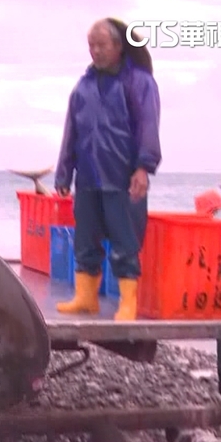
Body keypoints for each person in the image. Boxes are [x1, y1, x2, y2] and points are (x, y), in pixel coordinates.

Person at [53, 18, 162, 321]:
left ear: (119, 46)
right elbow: (70, 132)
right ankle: (86, 296)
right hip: (88, 178)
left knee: (125, 241)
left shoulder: (139, 82)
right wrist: (64, 174)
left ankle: (128, 302)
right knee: (86, 239)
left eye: (102, 45)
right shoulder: (83, 87)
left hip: (123, 178)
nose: (96, 51)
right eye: (91, 45)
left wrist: (143, 167)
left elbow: (148, 127)